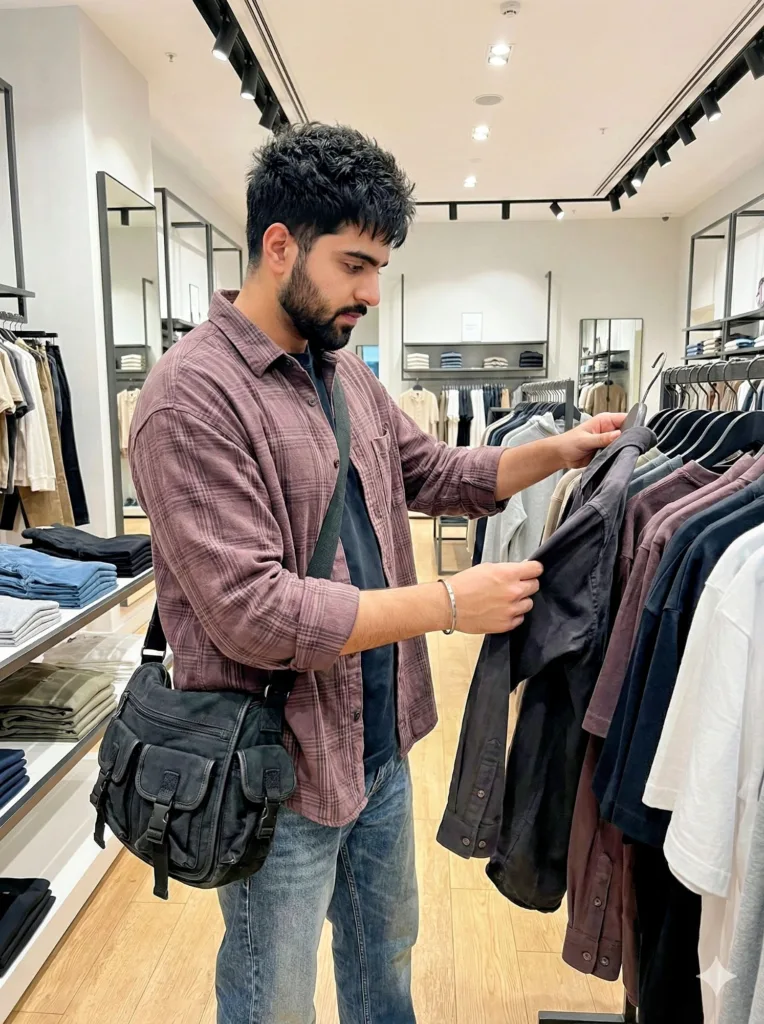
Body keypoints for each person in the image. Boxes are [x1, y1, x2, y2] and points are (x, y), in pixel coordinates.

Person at [129, 122, 625, 1024]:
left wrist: (559, 452)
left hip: (379, 747)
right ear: (280, 246)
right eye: (354, 265)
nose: (370, 292)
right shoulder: (190, 396)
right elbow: (255, 613)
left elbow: (434, 471)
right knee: (271, 997)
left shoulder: (344, 374)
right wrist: (448, 602)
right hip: (275, 765)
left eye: (380, 269)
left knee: (384, 961)